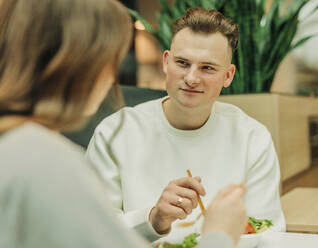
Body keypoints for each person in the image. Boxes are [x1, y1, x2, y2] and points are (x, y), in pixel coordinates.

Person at [0, 1, 247, 248]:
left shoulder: (16, 150)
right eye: (111, 59)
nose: (112, 78)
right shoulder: (47, 163)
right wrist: (219, 234)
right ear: (80, 65)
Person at [86, 7, 286, 244]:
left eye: (207, 68)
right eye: (182, 63)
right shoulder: (115, 133)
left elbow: (267, 231)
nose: (191, 78)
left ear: (228, 76)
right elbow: (89, 228)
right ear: (166, 62)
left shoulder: (253, 138)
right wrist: (152, 219)